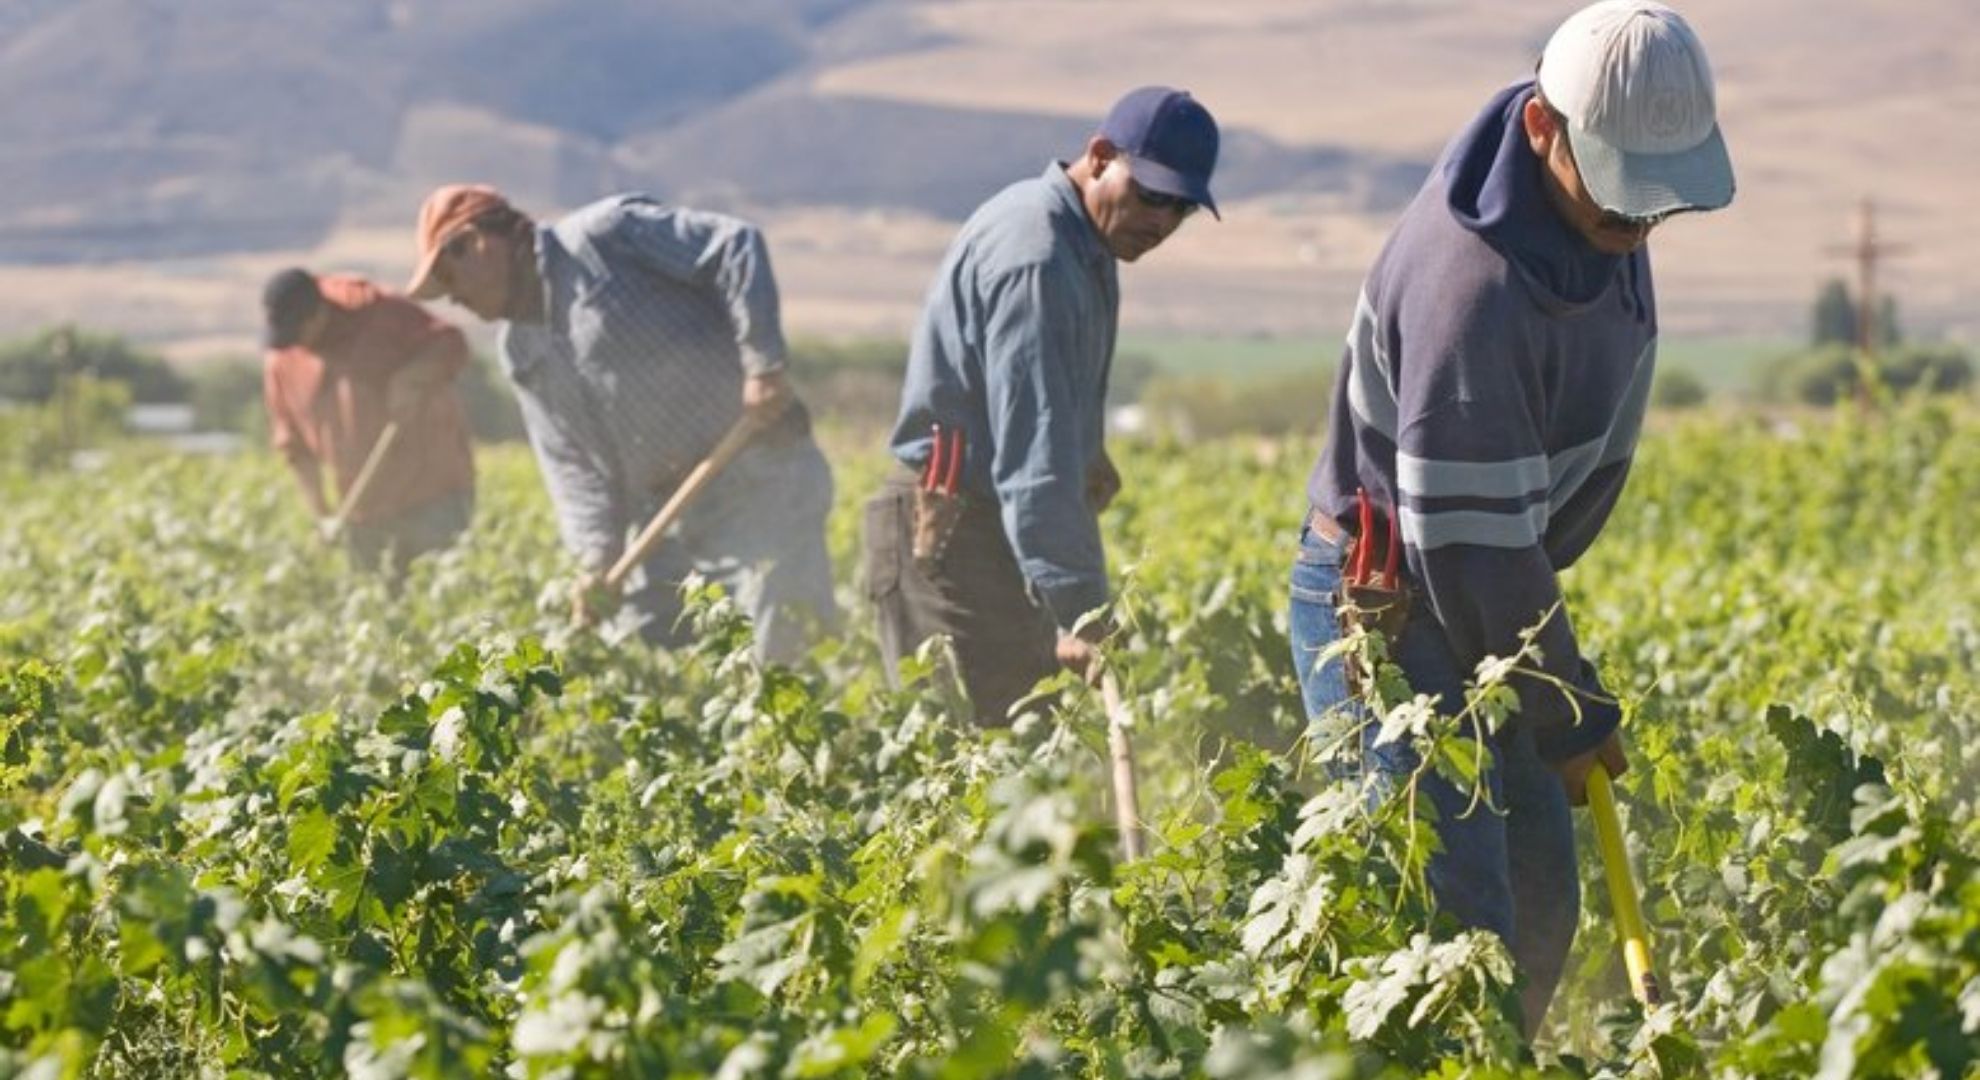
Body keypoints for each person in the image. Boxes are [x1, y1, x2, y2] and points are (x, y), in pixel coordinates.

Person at [1287, 0, 1735, 1034]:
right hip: (1394, 608)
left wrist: (1556, 699)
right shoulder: (1471, 289)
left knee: (1540, 900)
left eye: (1656, 202)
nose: (1639, 229)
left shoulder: (1587, 207)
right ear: (1543, 128)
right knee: (1456, 925)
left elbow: (1497, 553)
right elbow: (1474, 550)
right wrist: (1568, 712)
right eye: (1625, 198)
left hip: (1491, 589)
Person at [865, 86, 1221, 724]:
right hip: (946, 531)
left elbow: (1056, 420)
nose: (1163, 223)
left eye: (1183, 209)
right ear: (1101, 155)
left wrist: (1093, 456)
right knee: (975, 768)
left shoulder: (1088, 243)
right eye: (1153, 196)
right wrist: (1083, 613)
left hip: (994, 529)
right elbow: (1036, 462)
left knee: (1019, 762)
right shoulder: (1038, 258)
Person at [404, 184, 837, 664]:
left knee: (782, 655)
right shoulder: (520, 351)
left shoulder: (606, 239)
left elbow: (734, 245)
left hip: (753, 475)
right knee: (641, 654)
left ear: (477, 242)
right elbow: (571, 464)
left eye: (448, 275)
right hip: (663, 512)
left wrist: (763, 366)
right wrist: (597, 561)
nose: (453, 298)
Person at [261, 268, 476, 576]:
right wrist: (322, 514)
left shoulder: (380, 314)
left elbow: (451, 344)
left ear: (319, 313)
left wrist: (413, 377)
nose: (297, 344)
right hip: (363, 510)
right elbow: (294, 447)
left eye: (300, 332)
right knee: (380, 608)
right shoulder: (283, 358)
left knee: (441, 594)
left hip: (432, 493)